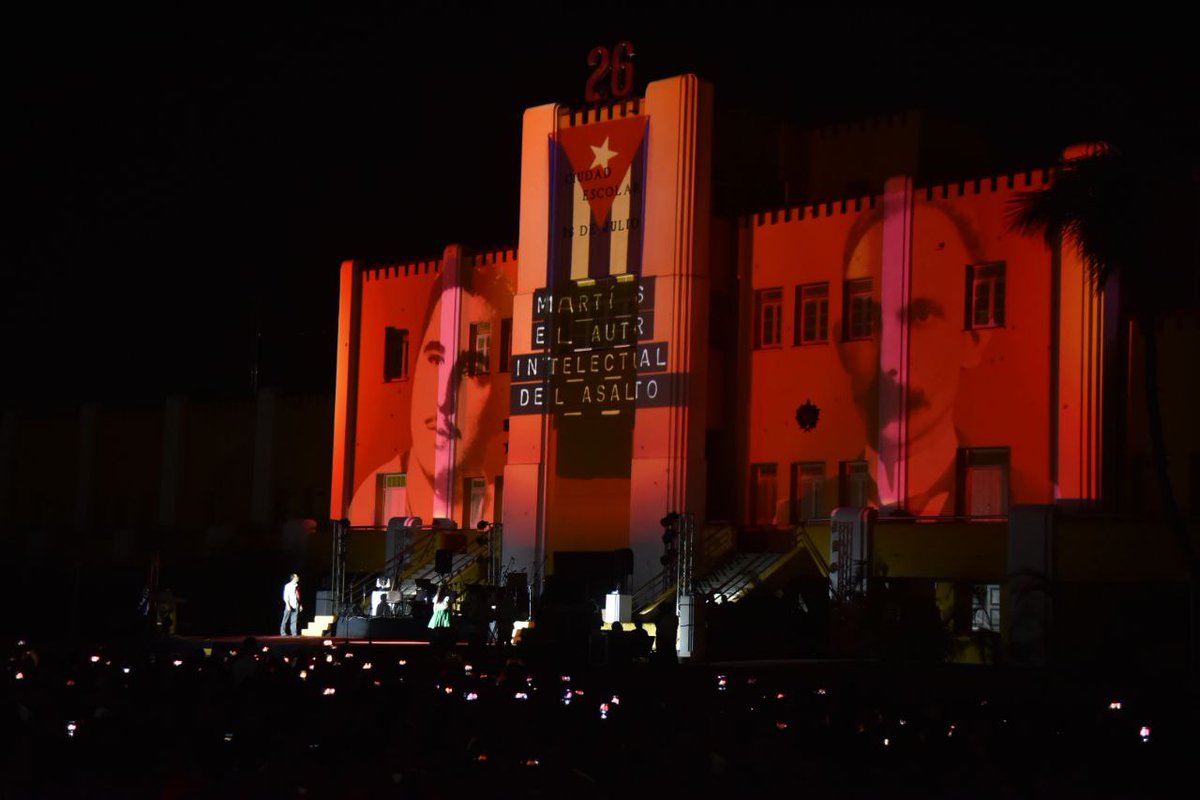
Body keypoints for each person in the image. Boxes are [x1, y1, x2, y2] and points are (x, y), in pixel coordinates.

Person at [349, 263, 513, 526]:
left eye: (473, 369)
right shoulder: (366, 504)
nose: (444, 400)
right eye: (435, 359)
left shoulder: (508, 510)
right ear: (413, 366)